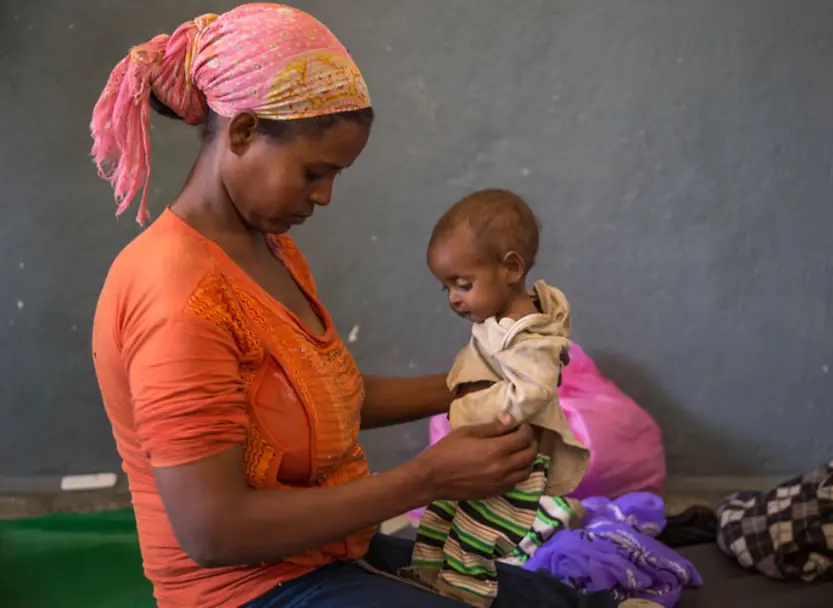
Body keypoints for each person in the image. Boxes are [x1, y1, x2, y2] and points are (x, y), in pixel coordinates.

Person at [89, 4, 615, 608]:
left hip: (332, 550)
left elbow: (330, 400)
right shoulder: (177, 296)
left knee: (554, 602)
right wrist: (426, 478)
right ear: (242, 131)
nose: (325, 196)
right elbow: (213, 531)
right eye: (315, 171)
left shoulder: (271, 250)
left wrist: (490, 380)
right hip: (248, 591)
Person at [402, 190, 591, 606]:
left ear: (510, 268)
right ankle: (430, 578)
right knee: (440, 515)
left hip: (508, 463)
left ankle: (466, 597)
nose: (454, 297)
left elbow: (532, 392)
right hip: (478, 451)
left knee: (475, 539)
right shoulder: (497, 319)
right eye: (446, 288)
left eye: (463, 284)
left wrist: (467, 407)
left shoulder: (528, 337)